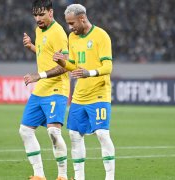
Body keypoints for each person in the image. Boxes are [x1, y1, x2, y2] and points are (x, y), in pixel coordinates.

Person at [53, 4, 115, 180]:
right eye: (68, 24)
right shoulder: (72, 37)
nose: (70, 27)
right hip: (79, 96)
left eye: (72, 23)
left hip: (99, 93)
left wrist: (90, 72)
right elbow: (73, 65)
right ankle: (79, 177)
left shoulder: (101, 36)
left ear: (82, 18)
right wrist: (62, 62)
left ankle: (110, 177)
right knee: (74, 134)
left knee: (102, 134)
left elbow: (108, 66)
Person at [18, 0, 70, 179]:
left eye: (41, 14)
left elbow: (65, 66)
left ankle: (62, 176)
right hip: (40, 90)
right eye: (35, 15)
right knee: (25, 131)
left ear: (51, 12)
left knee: (53, 132)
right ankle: (38, 175)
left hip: (57, 89)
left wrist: (39, 75)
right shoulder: (39, 30)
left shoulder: (59, 33)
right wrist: (32, 47)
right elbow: (45, 54)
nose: (37, 18)